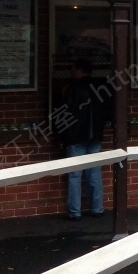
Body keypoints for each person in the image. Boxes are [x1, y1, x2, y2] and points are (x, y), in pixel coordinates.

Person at [60, 58, 106, 220]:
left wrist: (62, 136)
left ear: (79, 69)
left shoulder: (71, 88)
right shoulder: (101, 87)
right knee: (95, 173)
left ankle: (75, 212)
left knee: (75, 175)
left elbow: (64, 114)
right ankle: (97, 209)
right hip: (96, 136)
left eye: (73, 68)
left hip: (76, 136)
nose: (71, 71)